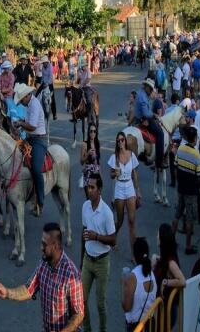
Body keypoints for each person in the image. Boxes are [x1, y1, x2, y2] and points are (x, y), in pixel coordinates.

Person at [0, 222, 84, 332]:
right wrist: (7, 292)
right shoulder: (43, 263)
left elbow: (79, 314)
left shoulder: (71, 274)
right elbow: (29, 290)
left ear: (56, 246)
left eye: (44, 244)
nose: (41, 247)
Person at [80, 174, 116, 332]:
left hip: (102, 262)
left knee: (100, 304)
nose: (89, 190)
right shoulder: (85, 206)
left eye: (92, 187)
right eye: (88, 187)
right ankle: (87, 329)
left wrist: (98, 237)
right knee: (81, 300)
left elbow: (113, 240)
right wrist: (81, 260)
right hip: (88, 261)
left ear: (99, 190)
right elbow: (84, 232)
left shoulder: (107, 212)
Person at [13, 83, 47, 217]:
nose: (21, 102)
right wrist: (20, 122)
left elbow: (32, 126)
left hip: (38, 140)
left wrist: (20, 123)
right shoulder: (29, 105)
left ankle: (41, 199)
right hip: (30, 138)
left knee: (36, 169)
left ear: (27, 96)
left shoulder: (35, 105)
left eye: (22, 100)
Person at [108, 131, 141, 257]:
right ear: (116, 143)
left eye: (122, 140)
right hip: (119, 188)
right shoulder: (114, 157)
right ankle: (113, 235)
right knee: (120, 220)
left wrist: (138, 190)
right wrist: (114, 174)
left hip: (130, 187)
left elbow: (135, 174)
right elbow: (111, 175)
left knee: (132, 221)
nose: (120, 142)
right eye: (118, 140)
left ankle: (134, 253)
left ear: (125, 141)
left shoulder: (131, 155)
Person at [172, 126, 200, 255]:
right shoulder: (196, 154)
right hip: (191, 191)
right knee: (190, 219)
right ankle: (188, 246)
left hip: (181, 188)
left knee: (177, 215)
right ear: (194, 139)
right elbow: (199, 175)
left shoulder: (181, 149)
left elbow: (175, 165)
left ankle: (171, 241)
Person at [152, 224, 185, 328]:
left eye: (158, 235)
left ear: (162, 240)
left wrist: (166, 282)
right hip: (163, 309)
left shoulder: (171, 263)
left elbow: (182, 281)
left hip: (167, 312)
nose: (156, 237)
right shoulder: (165, 257)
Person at [122, 238, 157, 332]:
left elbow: (126, 307)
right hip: (150, 325)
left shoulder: (133, 277)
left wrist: (125, 286)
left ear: (134, 255)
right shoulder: (151, 274)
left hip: (136, 327)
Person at [133, 79, 164, 168]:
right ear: (146, 87)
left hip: (138, 118)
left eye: (151, 89)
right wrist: (154, 115)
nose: (151, 90)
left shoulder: (141, 93)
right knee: (160, 133)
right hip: (143, 119)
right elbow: (146, 113)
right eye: (150, 88)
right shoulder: (143, 96)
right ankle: (159, 162)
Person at [80, 122, 100, 192]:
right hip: (88, 174)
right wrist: (87, 154)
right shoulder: (84, 144)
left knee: (97, 198)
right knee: (89, 198)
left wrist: (101, 177)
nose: (92, 133)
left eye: (94, 131)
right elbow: (81, 162)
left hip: (96, 173)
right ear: (88, 132)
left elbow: (98, 162)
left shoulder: (97, 143)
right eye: (91, 131)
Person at [36, 55, 57, 120]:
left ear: (46, 62)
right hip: (43, 83)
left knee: (52, 99)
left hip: (49, 84)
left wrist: (47, 84)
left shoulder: (50, 67)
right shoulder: (43, 67)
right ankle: (37, 111)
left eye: (44, 63)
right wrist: (41, 83)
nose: (43, 64)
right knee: (36, 94)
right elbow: (42, 76)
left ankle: (54, 114)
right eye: (43, 63)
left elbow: (50, 77)